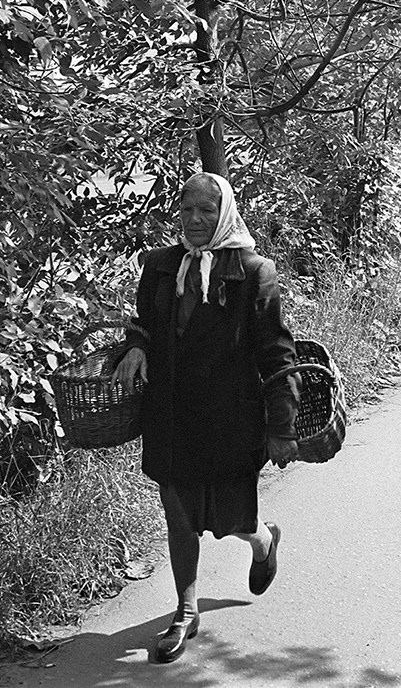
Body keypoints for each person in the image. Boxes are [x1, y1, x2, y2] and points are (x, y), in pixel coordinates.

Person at [112, 172, 301, 664]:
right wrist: (136, 348)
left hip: (229, 420)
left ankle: (262, 542)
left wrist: (282, 428)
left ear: (225, 214)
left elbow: (277, 354)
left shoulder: (253, 272)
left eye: (207, 211)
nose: (195, 220)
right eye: (187, 209)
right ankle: (185, 611)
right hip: (171, 414)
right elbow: (143, 325)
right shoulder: (159, 266)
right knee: (178, 512)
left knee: (231, 518)